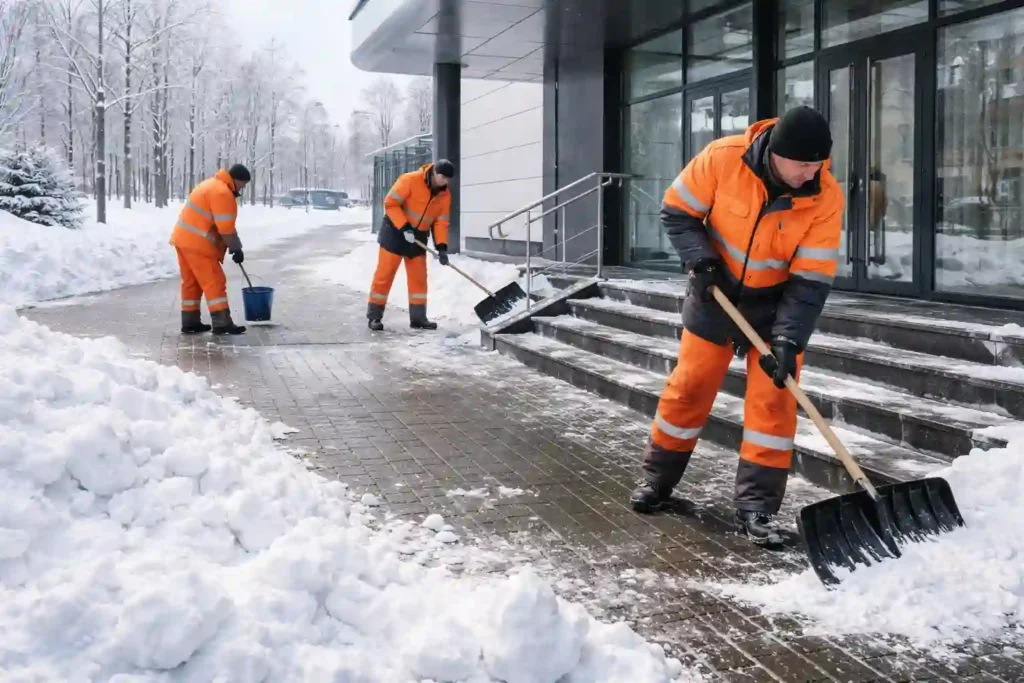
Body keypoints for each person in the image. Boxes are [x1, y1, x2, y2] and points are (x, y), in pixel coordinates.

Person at [629, 106, 844, 547]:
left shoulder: (826, 197)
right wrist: (700, 261)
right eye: (802, 164)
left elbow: (811, 279)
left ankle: (757, 509)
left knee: (773, 404)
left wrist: (787, 339)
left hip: (775, 307)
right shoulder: (723, 158)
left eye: (817, 164)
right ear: (777, 155)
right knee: (689, 387)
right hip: (716, 294)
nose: (810, 173)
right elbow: (677, 211)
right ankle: (657, 480)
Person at [367, 159, 454, 331]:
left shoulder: (444, 196)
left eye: (448, 179)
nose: (445, 181)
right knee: (384, 275)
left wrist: (442, 247)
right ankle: (374, 317)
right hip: (394, 232)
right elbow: (390, 203)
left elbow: (440, 222)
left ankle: (418, 318)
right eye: (442, 177)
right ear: (434, 172)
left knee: (419, 279)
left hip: (418, 238)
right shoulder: (410, 180)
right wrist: (404, 227)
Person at [169, 163, 250, 335]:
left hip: (183, 240)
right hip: (198, 244)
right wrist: (236, 248)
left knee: (192, 282)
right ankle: (222, 322)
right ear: (236, 179)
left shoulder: (210, 184)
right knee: (215, 281)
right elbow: (226, 227)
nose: (243, 187)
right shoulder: (223, 193)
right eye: (243, 183)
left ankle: (190, 322)